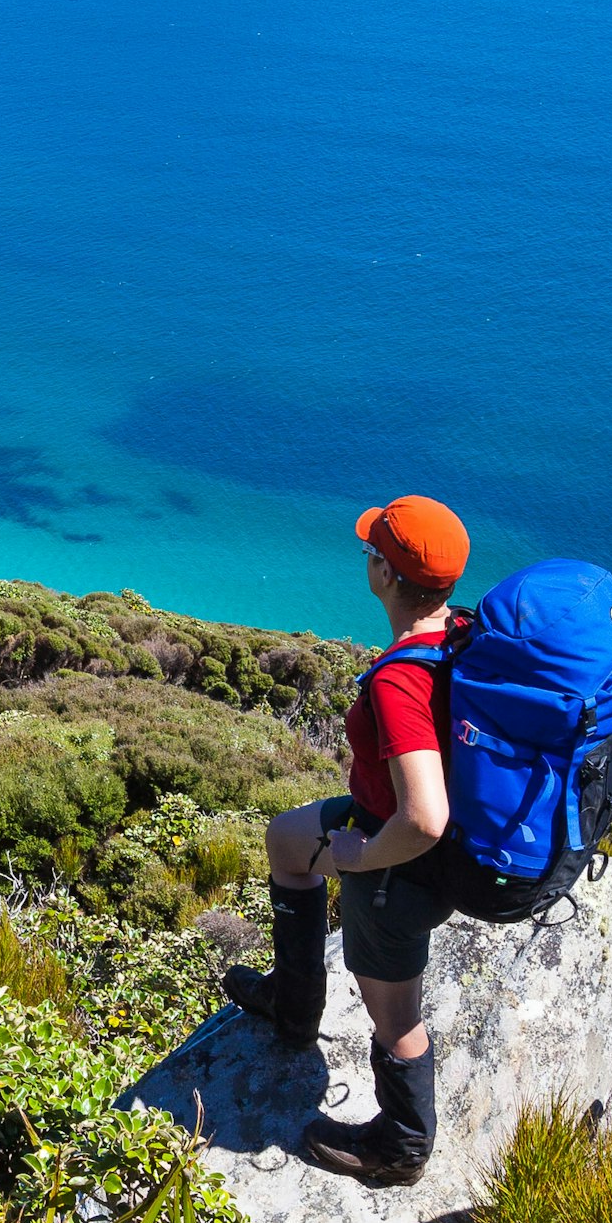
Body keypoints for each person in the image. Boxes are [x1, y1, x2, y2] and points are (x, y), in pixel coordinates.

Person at [220, 494, 467, 1186]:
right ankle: (294, 1007)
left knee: (396, 1019)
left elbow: (423, 817)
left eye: (372, 552)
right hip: (376, 818)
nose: (367, 560)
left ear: (387, 576)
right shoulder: (462, 635)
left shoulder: (401, 681)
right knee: (286, 841)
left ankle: (402, 1147)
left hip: (402, 862)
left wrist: (364, 856)